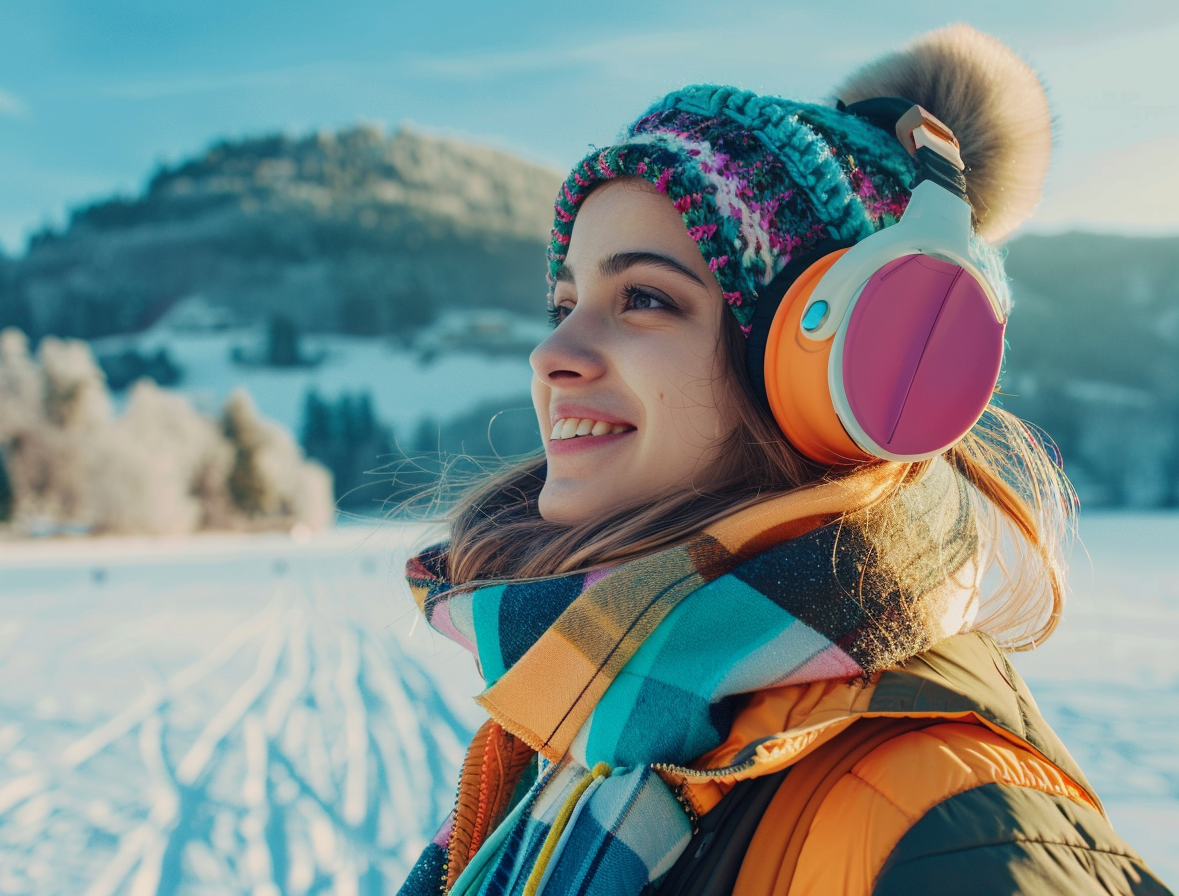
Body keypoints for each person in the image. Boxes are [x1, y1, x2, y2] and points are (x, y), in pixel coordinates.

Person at [397, 23, 1172, 896]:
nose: (551, 355)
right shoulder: (587, 731)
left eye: (643, 298)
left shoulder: (950, 826)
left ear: (838, 373)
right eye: (565, 302)